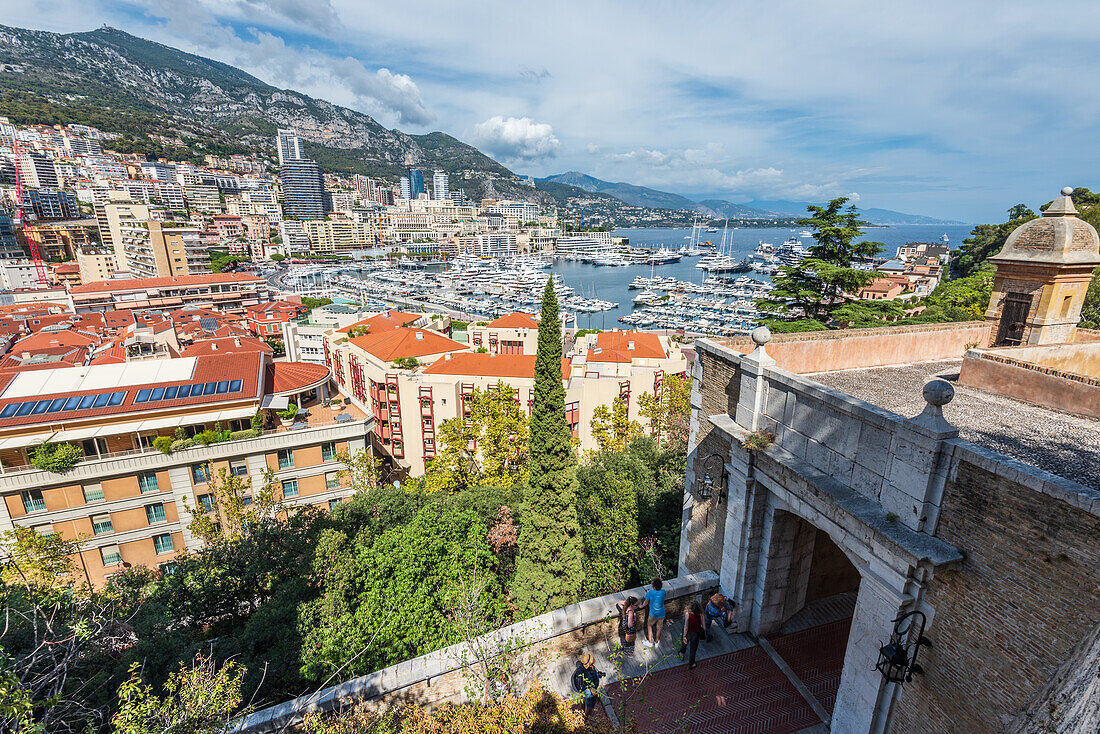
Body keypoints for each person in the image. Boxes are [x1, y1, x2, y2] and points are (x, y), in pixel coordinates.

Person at [643, 578, 667, 648]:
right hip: (661, 613)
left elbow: (645, 602)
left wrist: (641, 606)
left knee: (649, 626)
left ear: (653, 586)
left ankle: (650, 642)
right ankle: (656, 642)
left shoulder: (650, 592)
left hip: (653, 614)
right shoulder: (663, 591)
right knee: (659, 628)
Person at [681, 601, 704, 669]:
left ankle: (681, 653)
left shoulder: (688, 615)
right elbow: (704, 627)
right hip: (695, 635)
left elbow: (686, 626)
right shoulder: (701, 616)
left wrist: (684, 635)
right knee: (693, 650)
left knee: (684, 643)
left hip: (688, 633)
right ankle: (691, 664)